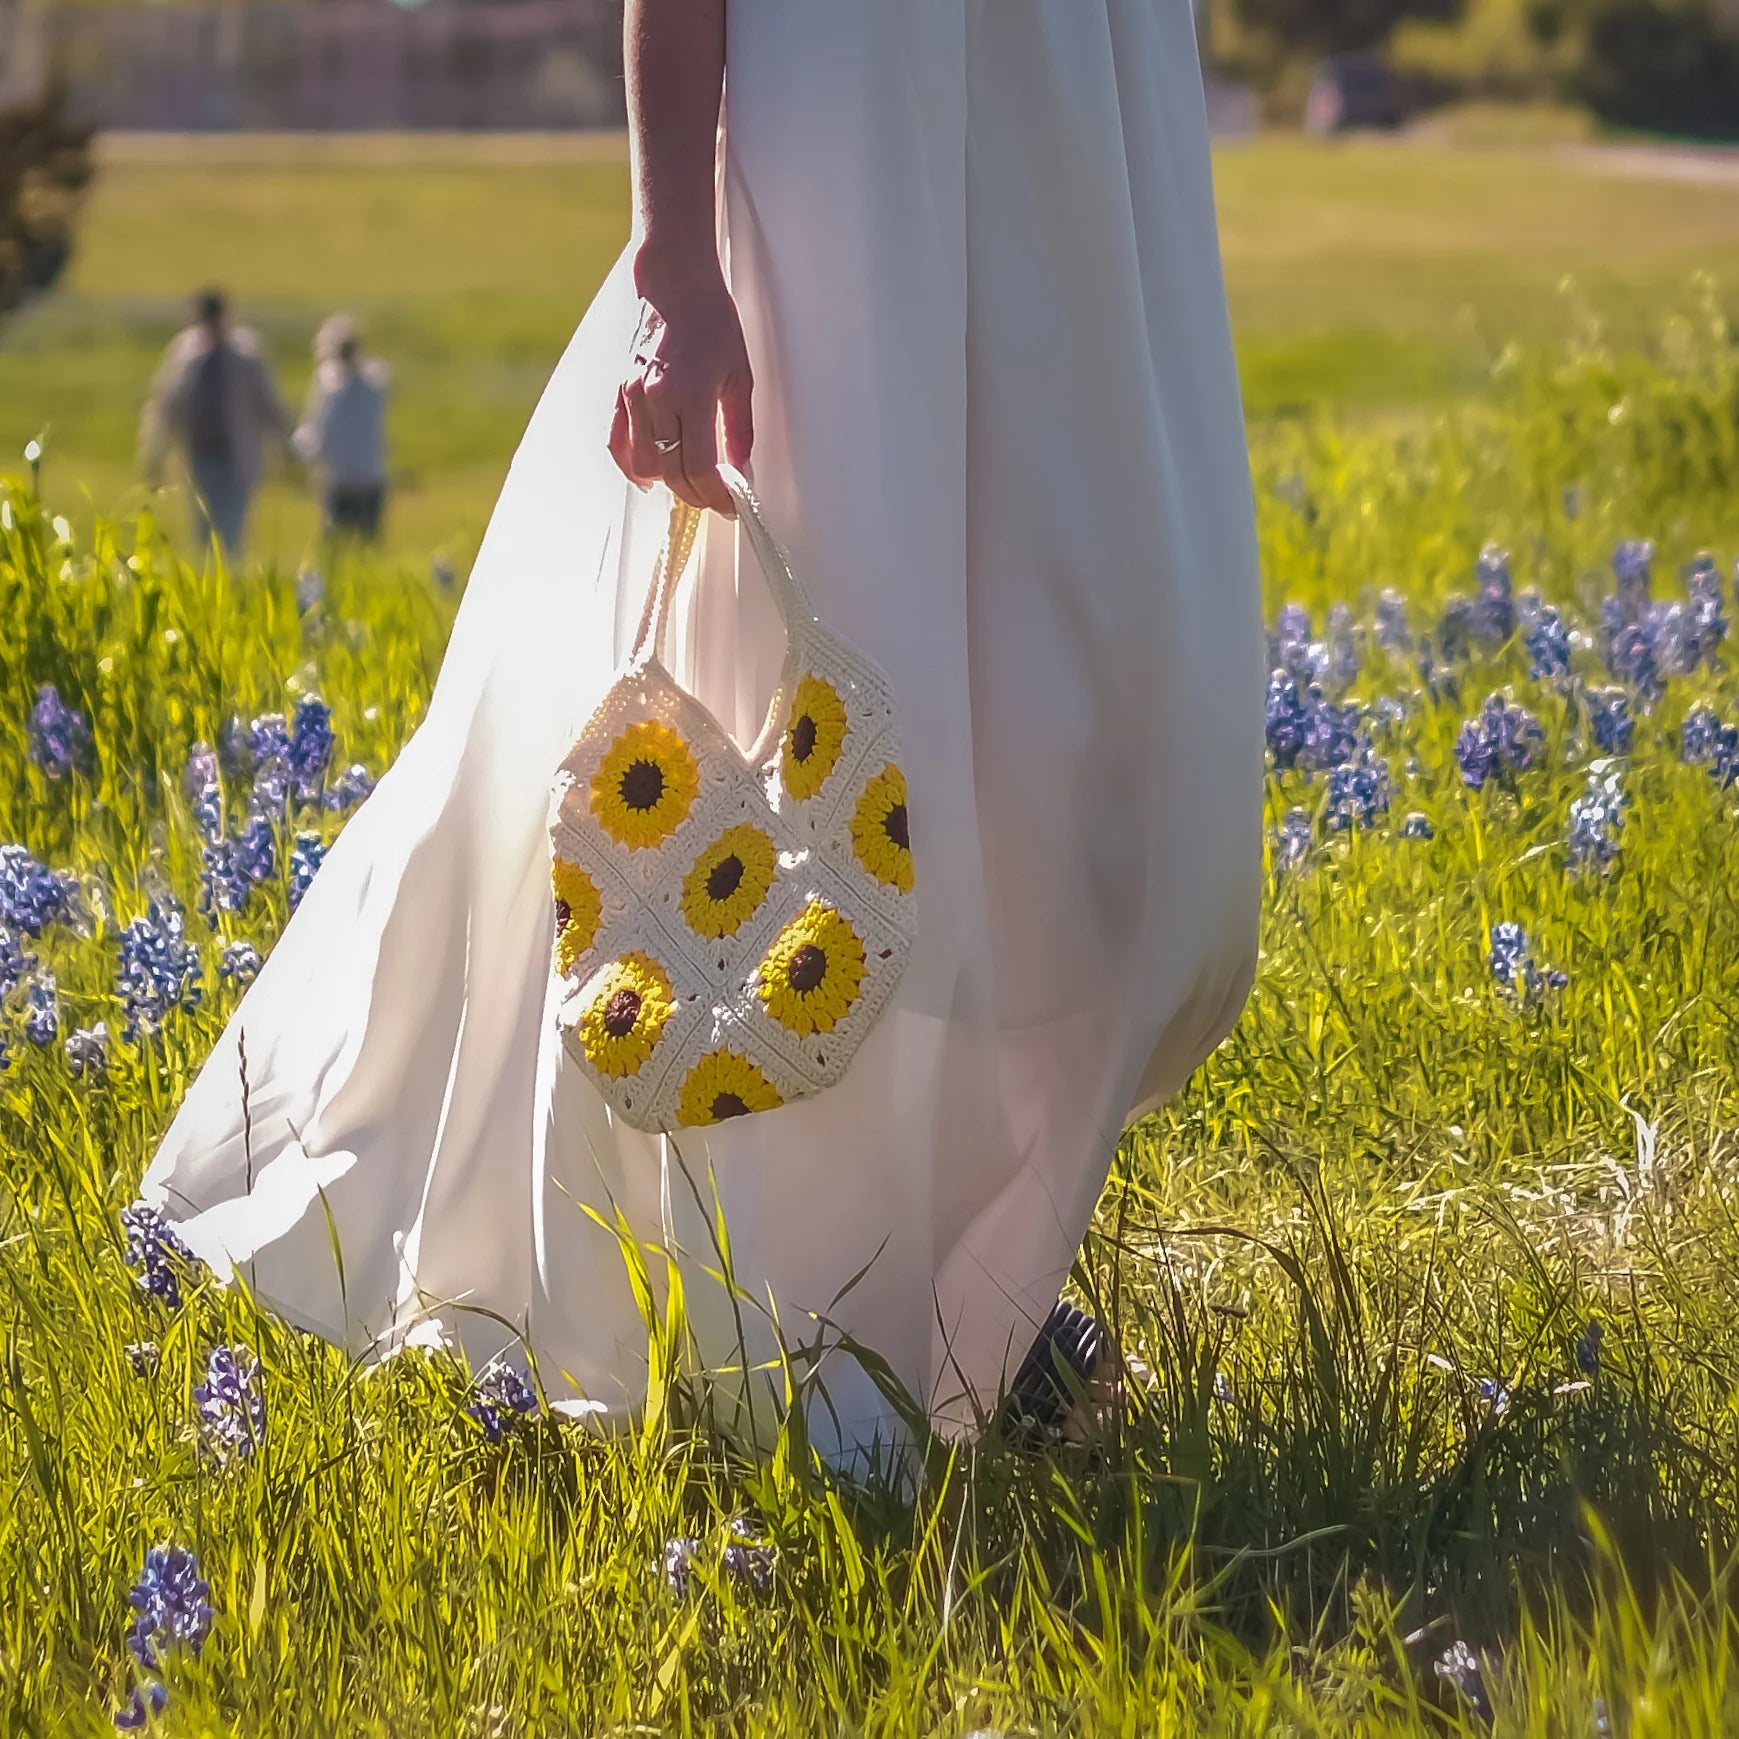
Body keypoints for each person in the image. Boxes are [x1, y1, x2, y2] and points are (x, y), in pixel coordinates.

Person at [143, 0, 1263, 1468]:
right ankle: (825, 1324)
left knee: (1120, 793)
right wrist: (673, 255)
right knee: (838, 753)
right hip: (848, 175)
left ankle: (960, 1263)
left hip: (1082, 189)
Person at [140, 288, 290, 559]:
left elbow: (268, 402)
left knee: (230, 529)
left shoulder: (246, 355)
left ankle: (228, 583)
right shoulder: (185, 355)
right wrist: (154, 453)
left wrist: (285, 444)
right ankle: (211, 586)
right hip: (199, 456)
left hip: (238, 457)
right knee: (203, 528)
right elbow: (166, 405)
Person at [294, 314, 390, 542]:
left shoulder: (330, 385)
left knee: (336, 545)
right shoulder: (374, 382)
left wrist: (304, 457)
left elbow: (318, 430)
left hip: (341, 479)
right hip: (371, 475)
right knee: (367, 545)